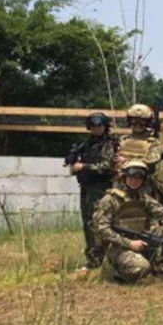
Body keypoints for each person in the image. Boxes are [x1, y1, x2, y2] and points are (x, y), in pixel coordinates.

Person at [92, 161, 163, 283]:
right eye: (132, 177)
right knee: (141, 268)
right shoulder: (110, 200)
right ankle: (115, 271)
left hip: (141, 240)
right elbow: (102, 229)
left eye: (139, 178)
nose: (135, 181)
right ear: (124, 177)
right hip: (119, 247)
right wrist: (129, 243)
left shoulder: (143, 198)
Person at [68, 112, 118, 273]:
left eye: (99, 126)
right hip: (87, 187)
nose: (96, 129)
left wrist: (84, 167)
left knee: (100, 223)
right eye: (93, 126)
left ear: (105, 126)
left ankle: (104, 258)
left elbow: (106, 167)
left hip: (101, 188)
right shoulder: (88, 144)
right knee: (88, 223)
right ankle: (93, 258)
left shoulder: (109, 144)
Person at [115, 104, 163, 196]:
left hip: (144, 184)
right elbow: (115, 160)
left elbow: (151, 160)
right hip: (122, 183)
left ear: (147, 123)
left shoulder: (153, 142)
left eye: (142, 122)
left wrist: (126, 161)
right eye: (134, 121)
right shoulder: (123, 140)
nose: (138, 125)